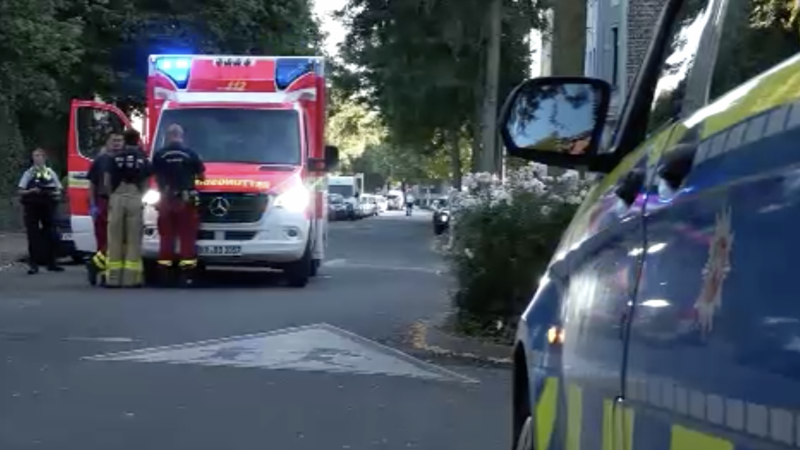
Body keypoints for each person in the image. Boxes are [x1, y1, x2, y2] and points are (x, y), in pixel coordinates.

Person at [151, 124, 205, 286]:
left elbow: (153, 174)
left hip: (165, 199)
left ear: (167, 136)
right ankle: (186, 275)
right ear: (181, 136)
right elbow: (201, 177)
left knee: (166, 237)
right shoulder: (190, 154)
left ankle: (165, 274)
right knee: (186, 237)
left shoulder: (160, 154)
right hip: (185, 200)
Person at [104, 129, 150, 287]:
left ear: (124, 140)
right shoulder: (143, 159)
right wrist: (140, 196)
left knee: (115, 238)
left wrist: (112, 196)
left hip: (117, 197)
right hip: (135, 197)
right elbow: (146, 182)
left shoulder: (114, 158)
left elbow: (106, 180)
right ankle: (131, 279)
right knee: (133, 240)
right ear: (138, 140)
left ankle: (113, 279)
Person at [17, 148, 64, 274]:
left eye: (39, 156)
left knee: (51, 234)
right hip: (32, 207)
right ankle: (33, 264)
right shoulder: (29, 173)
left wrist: (55, 193)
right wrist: (31, 191)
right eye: (35, 156)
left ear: (44, 158)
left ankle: (52, 263)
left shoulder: (50, 172)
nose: (37, 158)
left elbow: (59, 188)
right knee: (33, 236)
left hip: (47, 206)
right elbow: (20, 190)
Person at [86, 132, 123, 283]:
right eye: (114, 140)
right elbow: (92, 184)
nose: (117, 143)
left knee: (115, 239)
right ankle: (101, 270)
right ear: (107, 143)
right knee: (103, 239)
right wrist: (93, 205)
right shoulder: (100, 161)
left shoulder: (124, 160)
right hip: (104, 202)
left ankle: (98, 267)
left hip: (120, 202)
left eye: (120, 140)